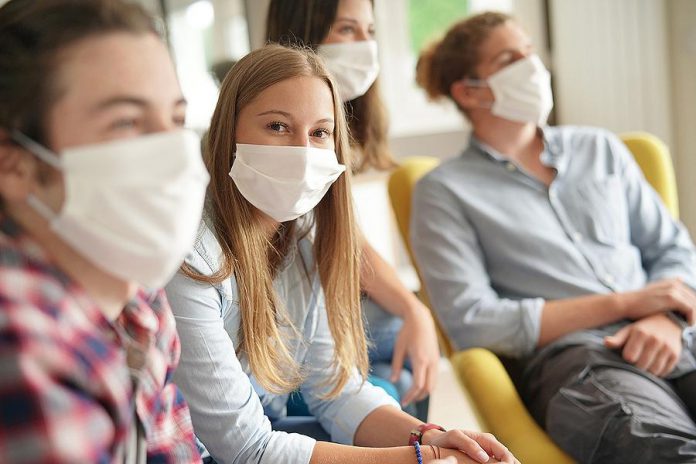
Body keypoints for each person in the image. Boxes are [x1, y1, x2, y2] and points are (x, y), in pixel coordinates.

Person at [165, 43, 518, 464]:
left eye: (319, 133)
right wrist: (423, 460)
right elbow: (247, 448)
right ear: (229, 133)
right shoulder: (189, 258)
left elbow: (335, 391)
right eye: (277, 126)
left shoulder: (303, 233)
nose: (302, 151)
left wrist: (436, 438)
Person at [412, 11, 696, 464]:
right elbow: (472, 319)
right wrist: (623, 304)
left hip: (676, 334)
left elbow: (673, 249)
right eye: (510, 58)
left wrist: (667, 319)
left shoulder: (599, 148)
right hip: (582, 362)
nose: (533, 65)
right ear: (469, 91)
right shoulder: (443, 191)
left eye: (529, 51)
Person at [0, 0, 208, 462]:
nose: (175, 155)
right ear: (13, 161)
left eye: (176, 120)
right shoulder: (18, 340)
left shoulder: (137, 298)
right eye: (127, 122)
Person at [266, 0, 439, 412]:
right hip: (283, 312)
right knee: (396, 333)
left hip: (321, 295)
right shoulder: (278, 140)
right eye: (346, 30)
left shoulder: (342, 128)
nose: (365, 45)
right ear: (302, 33)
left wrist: (415, 310)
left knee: (402, 335)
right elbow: (329, 239)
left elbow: (346, 238)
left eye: (370, 31)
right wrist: (412, 310)